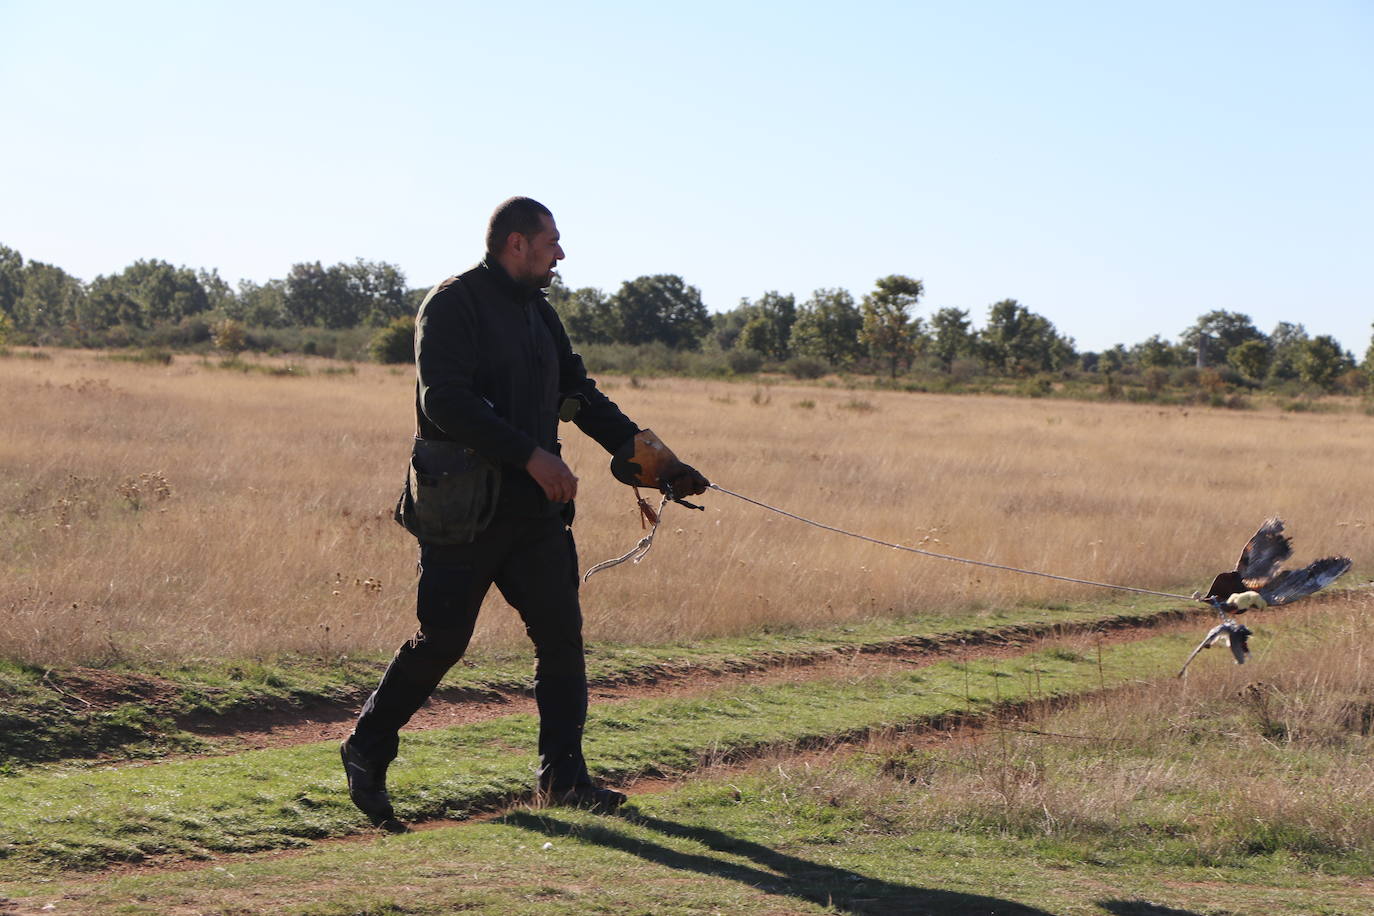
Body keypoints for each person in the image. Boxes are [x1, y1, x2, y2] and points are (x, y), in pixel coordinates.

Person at [341, 197, 708, 831]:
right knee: (444, 640)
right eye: (552, 243)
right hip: (465, 509)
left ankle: (563, 780)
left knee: (561, 640)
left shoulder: (541, 314)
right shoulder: (452, 305)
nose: (560, 255)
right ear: (517, 243)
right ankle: (365, 749)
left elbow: (581, 396)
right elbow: (447, 401)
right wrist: (533, 455)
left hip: (535, 515)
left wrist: (657, 462)